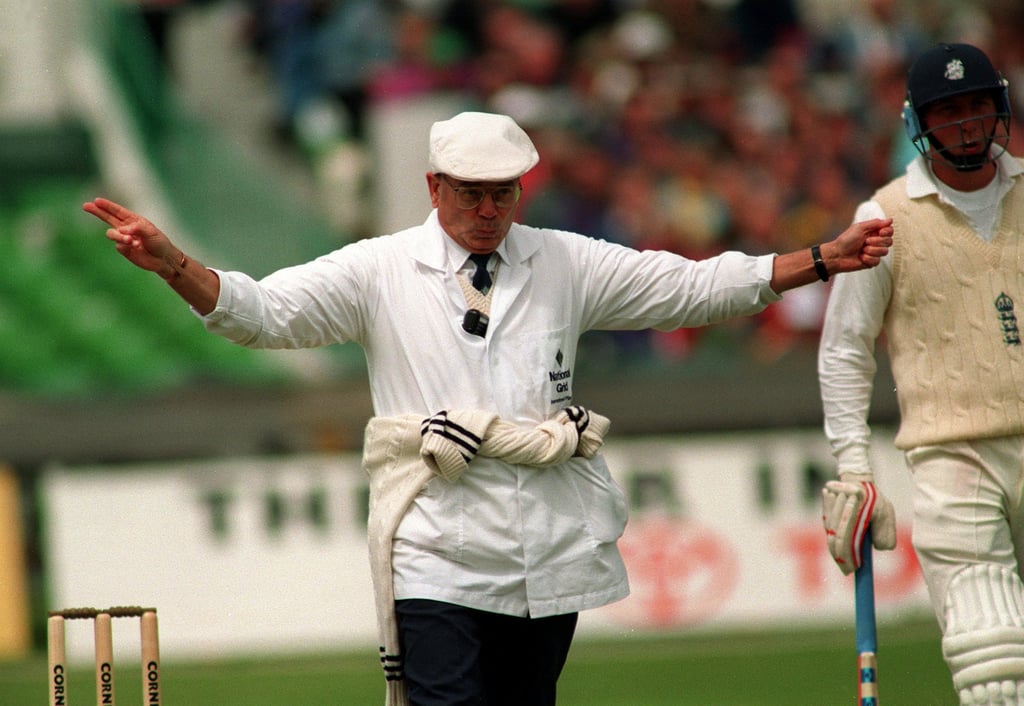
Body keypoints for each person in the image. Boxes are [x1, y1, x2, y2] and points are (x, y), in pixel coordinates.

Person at [84, 110, 892, 706]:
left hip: (546, 547)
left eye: (501, 194)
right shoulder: (380, 269)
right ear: (433, 187)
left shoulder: (564, 260)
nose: (486, 210)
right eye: (469, 194)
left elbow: (686, 287)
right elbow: (263, 315)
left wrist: (815, 260)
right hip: (436, 546)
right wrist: (173, 265)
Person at [818, 43, 1024, 705]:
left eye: (976, 106)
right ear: (918, 121)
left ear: (999, 111)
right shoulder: (883, 219)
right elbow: (846, 350)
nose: (965, 123)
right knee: (994, 677)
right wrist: (855, 467)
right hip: (952, 457)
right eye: (949, 111)